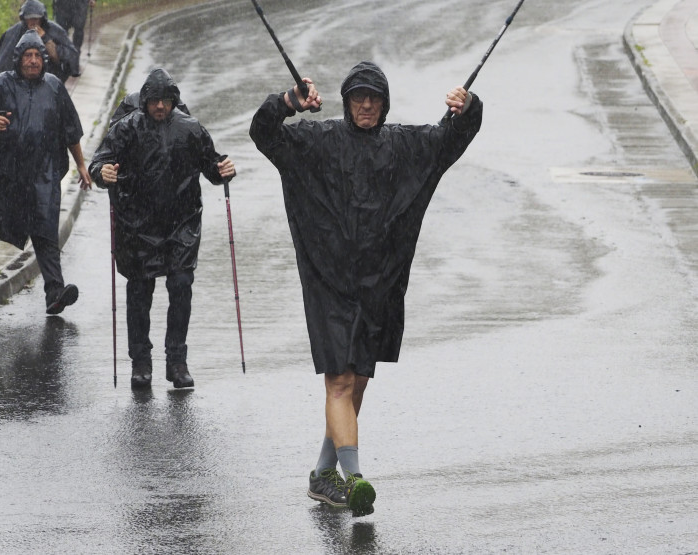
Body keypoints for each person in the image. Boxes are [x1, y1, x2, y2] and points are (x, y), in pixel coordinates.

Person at [249, 61, 483, 516]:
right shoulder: (317, 140)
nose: (366, 105)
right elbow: (265, 134)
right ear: (346, 100)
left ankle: (322, 474)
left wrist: (468, 108)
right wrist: (285, 103)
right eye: (358, 97)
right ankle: (355, 480)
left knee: (355, 380)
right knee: (338, 380)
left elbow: (450, 138)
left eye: (374, 97)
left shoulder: (404, 145)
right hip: (328, 282)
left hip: (379, 285)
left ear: (384, 102)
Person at [89, 68, 236, 389]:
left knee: (181, 287)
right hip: (137, 226)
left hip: (181, 225)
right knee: (140, 292)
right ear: (145, 101)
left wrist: (223, 170)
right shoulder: (127, 129)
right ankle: (140, 363)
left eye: (166, 101)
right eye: (154, 101)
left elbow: (211, 165)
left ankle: (177, 362)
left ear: (174, 101)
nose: (160, 107)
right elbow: (99, 161)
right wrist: (103, 173)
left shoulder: (190, 128)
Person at [0, 30, 92, 315]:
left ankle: (55, 292)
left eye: (37, 56)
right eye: (28, 56)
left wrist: (81, 164)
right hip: (4, 171)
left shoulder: (55, 88)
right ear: (18, 59)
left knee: (45, 232)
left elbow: (71, 130)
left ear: (43, 59)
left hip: (42, 174)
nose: (33, 61)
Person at [0, 0, 79, 83]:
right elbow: (1, 64)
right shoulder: (14, 33)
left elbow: (71, 57)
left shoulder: (54, 31)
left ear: (41, 19)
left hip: (48, 82)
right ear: (24, 19)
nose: (33, 22)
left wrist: (46, 39)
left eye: (36, 19)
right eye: (30, 19)